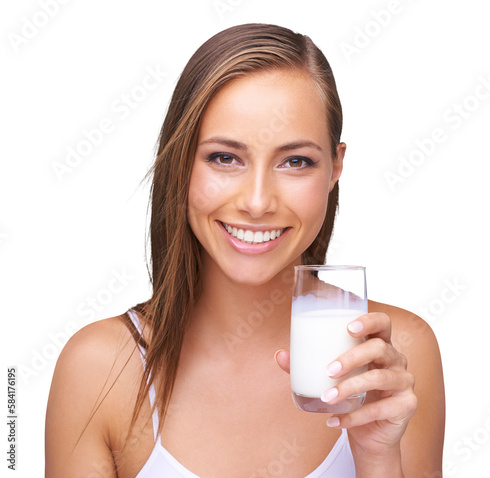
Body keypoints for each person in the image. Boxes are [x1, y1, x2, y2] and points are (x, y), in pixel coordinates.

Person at [45, 23, 445, 477]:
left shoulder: (396, 355)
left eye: (296, 161)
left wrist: (377, 457)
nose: (257, 202)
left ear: (335, 167)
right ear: (182, 162)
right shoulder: (99, 370)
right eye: (225, 157)